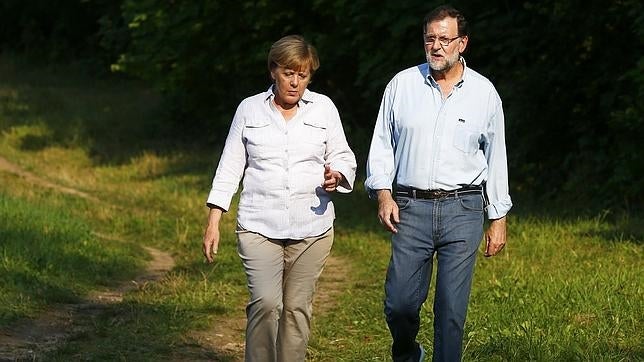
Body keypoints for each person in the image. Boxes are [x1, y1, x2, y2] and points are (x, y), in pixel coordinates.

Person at [364, 5, 512, 362]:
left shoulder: (484, 94)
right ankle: (408, 352)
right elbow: (382, 144)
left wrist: (498, 217)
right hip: (410, 208)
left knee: (450, 309)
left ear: (462, 43)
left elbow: (496, 158)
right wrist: (384, 194)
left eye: (445, 39)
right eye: (430, 38)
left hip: (464, 209)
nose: (436, 46)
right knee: (399, 303)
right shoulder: (402, 85)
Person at [202, 35, 356, 362]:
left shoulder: (324, 108)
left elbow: (343, 155)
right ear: (274, 71)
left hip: (312, 229)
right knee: (266, 303)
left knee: (297, 308)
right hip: (259, 226)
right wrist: (214, 220)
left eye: (303, 75)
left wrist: (338, 175)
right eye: (289, 73)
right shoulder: (249, 110)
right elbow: (230, 166)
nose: (295, 82)